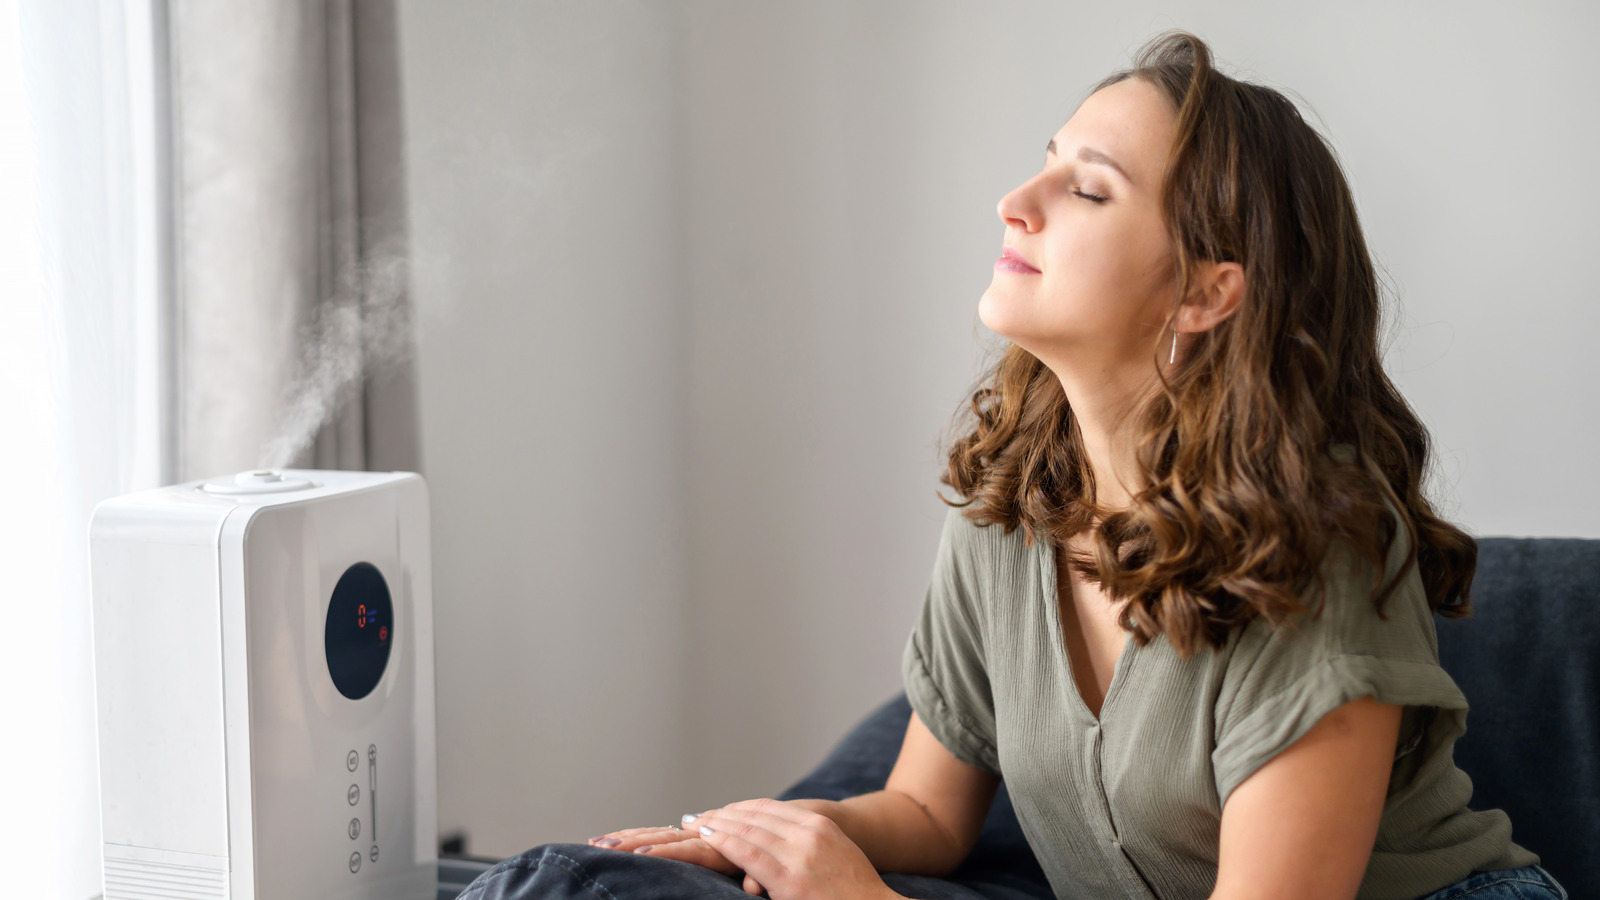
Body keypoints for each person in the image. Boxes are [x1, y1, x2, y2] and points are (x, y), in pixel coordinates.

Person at [461, 30, 1569, 900]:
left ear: (1205, 292)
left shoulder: (1313, 554)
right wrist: (762, 835)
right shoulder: (1010, 506)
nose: (1015, 204)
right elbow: (931, 815)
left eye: (1085, 191)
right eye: (1043, 165)